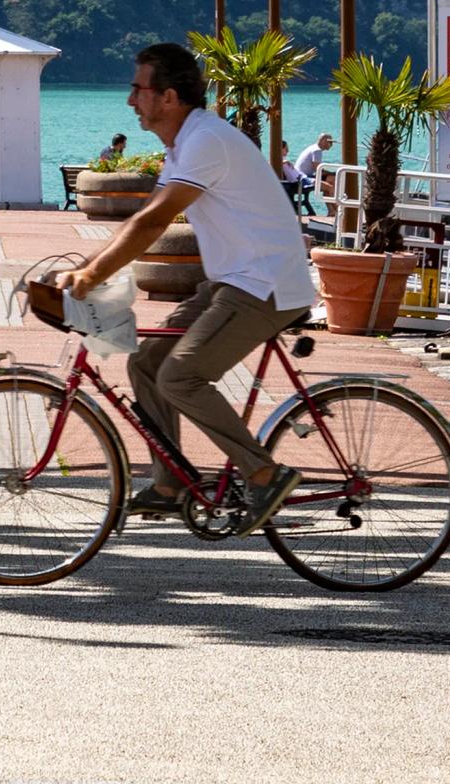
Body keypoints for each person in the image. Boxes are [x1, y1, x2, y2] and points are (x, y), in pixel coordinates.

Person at [68, 39, 315, 523]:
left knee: (180, 374)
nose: (130, 100)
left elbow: (156, 221)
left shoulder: (205, 141)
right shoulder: (182, 146)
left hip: (265, 283)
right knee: (146, 362)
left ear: (169, 97)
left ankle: (264, 475)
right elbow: (140, 219)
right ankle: (171, 482)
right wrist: (83, 265)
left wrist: (93, 274)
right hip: (233, 281)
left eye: (138, 89)